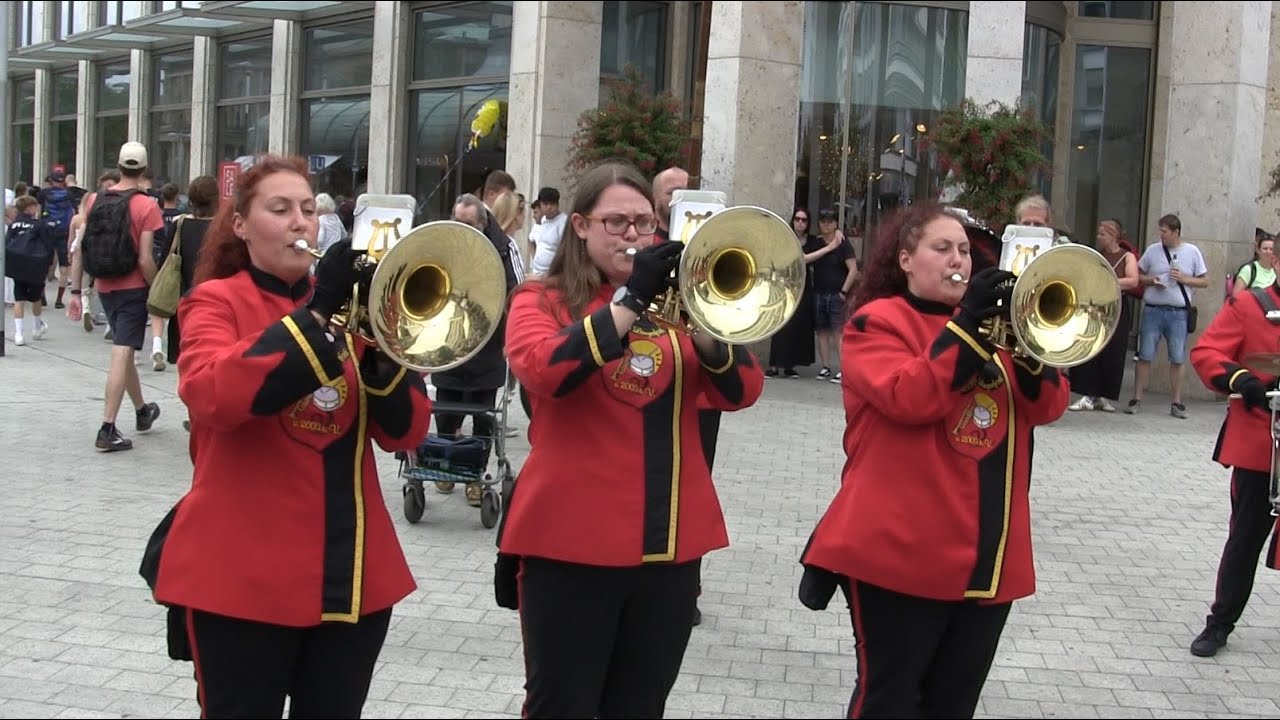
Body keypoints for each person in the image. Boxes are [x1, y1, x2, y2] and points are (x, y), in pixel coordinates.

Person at [139, 155, 433, 718]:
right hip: (239, 576)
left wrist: (381, 341)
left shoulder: (352, 316)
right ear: (241, 225)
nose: (301, 222)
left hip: (349, 574)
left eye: (306, 209)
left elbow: (408, 432)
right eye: (280, 209)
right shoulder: (212, 302)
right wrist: (318, 314)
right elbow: (213, 397)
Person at [496, 161, 764, 718]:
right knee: (560, 706)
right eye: (616, 222)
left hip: (667, 546)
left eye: (644, 222)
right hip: (569, 545)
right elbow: (544, 370)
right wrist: (628, 303)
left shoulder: (678, 307)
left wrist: (706, 326)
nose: (634, 236)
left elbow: (742, 391)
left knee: (640, 707)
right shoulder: (540, 299)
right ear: (580, 227)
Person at [797, 202, 1070, 718]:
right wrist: (968, 326)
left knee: (953, 705)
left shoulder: (1002, 331)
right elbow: (910, 397)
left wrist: (1029, 345)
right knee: (891, 701)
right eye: (941, 249)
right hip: (901, 552)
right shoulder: (877, 322)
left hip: (989, 554)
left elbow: (1049, 406)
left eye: (965, 251)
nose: (958, 261)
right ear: (905, 259)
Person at [1186, 279, 1280, 658]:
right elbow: (1207, 351)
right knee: (1243, 541)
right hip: (1262, 446)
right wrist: (1241, 378)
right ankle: (1221, 622)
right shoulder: (1249, 305)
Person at [1066, 219, 1139, 412]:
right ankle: (1087, 393)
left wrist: (1108, 281)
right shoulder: (1096, 255)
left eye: (1102, 234)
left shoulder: (1127, 256)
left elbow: (1133, 281)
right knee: (1089, 347)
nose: (1099, 238)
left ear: (1113, 235)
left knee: (1112, 351)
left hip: (1116, 305)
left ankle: (1102, 395)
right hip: (1094, 305)